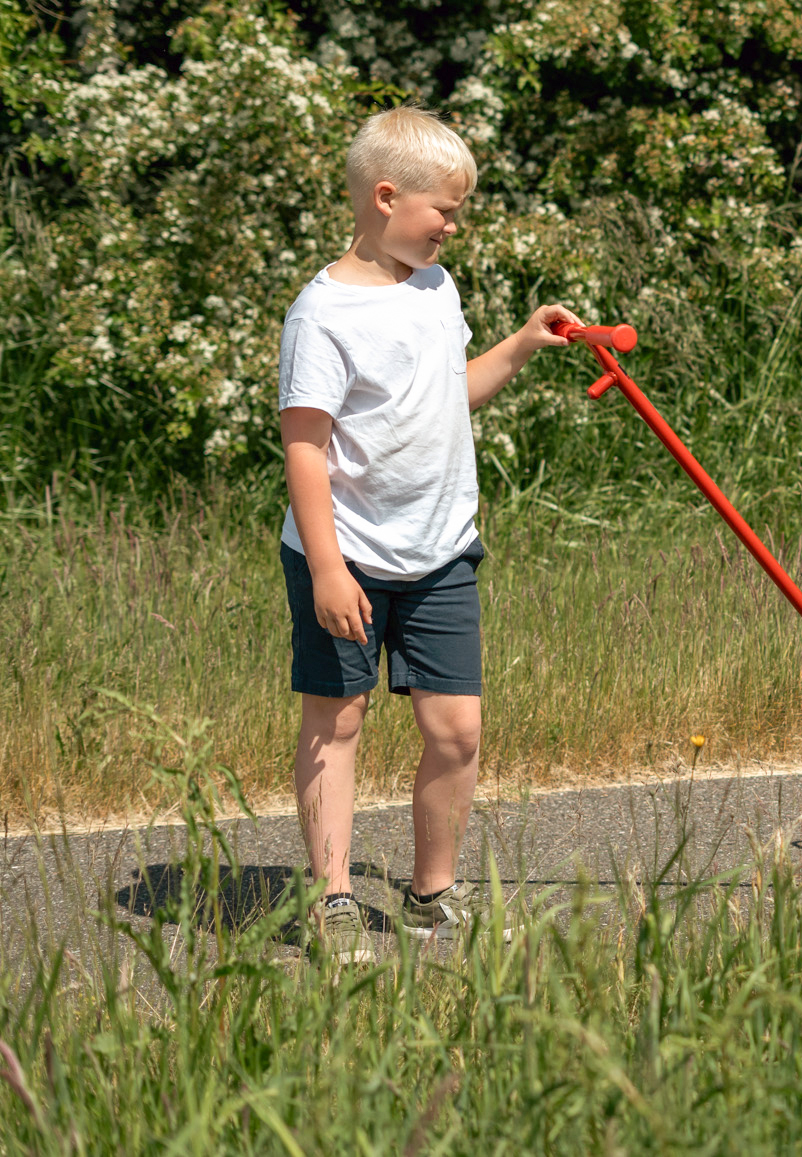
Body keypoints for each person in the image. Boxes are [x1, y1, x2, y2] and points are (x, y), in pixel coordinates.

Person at [278, 105, 581, 963]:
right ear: (385, 196)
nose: (454, 224)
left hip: (441, 550)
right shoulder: (323, 313)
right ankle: (333, 899)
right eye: (444, 209)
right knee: (336, 724)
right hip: (344, 556)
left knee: (457, 732)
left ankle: (431, 895)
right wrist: (330, 568)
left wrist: (520, 344)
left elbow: (450, 392)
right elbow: (304, 448)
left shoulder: (435, 289)